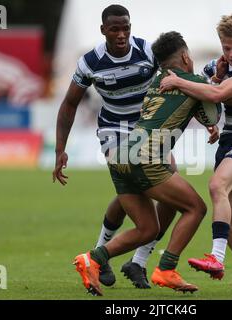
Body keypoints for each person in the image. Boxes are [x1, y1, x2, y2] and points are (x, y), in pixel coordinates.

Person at [72, 30, 211, 296]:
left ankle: (92, 259)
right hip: (145, 159)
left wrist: (207, 121)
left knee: (147, 229)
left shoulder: (156, 81)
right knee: (196, 208)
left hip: (121, 155)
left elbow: (194, 110)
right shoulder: (191, 82)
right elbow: (215, 101)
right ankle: (166, 268)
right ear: (185, 56)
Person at [52, 5, 176, 289]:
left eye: (126, 28)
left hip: (148, 128)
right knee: (142, 185)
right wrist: (61, 149)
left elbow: (176, 78)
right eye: (115, 29)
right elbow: (69, 104)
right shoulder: (90, 62)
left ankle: (137, 261)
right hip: (114, 131)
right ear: (103, 30)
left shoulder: (148, 52)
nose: (122, 35)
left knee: (160, 191)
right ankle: (104, 256)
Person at [159, 13, 232, 295]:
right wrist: (211, 106)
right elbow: (207, 91)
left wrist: (183, 83)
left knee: (216, 185)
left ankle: (216, 258)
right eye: (226, 47)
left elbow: (217, 94)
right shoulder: (219, 65)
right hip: (229, 142)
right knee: (230, 222)